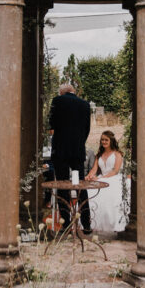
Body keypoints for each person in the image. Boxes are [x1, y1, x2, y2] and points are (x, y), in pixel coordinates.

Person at [48, 83, 93, 232]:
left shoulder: (57, 101)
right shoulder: (85, 104)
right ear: (73, 91)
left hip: (60, 150)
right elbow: (87, 129)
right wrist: (79, 143)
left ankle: (66, 223)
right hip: (77, 151)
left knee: (62, 185)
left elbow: (51, 123)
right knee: (80, 185)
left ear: (61, 92)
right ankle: (86, 224)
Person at [86, 130, 127, 233]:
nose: (104, 142)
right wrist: (89, 176)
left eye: (106, 140)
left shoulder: (118, 154)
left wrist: (101, 178)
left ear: (111, 141)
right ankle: (90, 222)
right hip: (101, 178)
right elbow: (94, 169)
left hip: (114, 179)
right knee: (90, 191)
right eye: (102, 140)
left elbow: (115, 171)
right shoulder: (99, 155)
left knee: (108, 193)